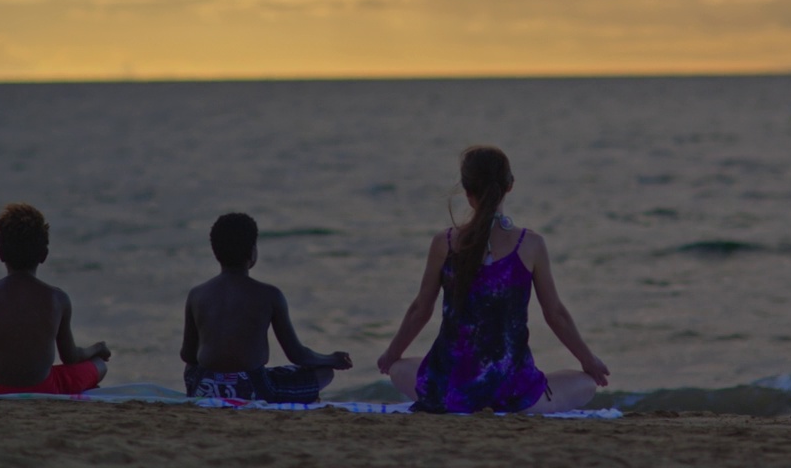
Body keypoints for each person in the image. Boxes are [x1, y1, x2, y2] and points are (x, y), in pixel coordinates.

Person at [377, 146, 610, 413]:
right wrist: (588, 360)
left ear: (467, 191)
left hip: (449, 390)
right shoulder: (531, 245)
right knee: (586, 383)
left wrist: (392, 354)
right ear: (509, 186)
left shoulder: (446, 243)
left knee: (399, 368)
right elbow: (555, 314)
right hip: (512, 393)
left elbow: (421, 309)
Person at [180, 212, 353, 403]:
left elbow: (188, 356)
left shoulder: (197, 294)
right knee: (324, 373)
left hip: (205, 386)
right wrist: (330, 359)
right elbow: (297, 354)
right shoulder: (270, 295)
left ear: (215, 253)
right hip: (254, 387)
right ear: (253, 251)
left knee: (194, 368)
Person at [0, 203, 111, 395]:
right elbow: (71, 357)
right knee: (100, 365)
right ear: (44, 255)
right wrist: (97, 348)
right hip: (45, 388)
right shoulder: (57, 299)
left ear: (1, 254)